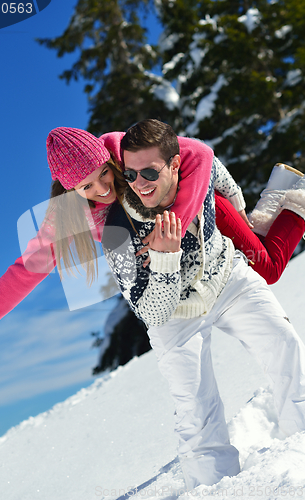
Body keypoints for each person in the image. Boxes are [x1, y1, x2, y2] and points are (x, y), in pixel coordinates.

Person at [100, 119, 305, 489]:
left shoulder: (198, 171)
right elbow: (153, 313)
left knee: (284, 344)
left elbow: (220, 175)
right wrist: (164, 260)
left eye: (149, 171)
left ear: (176, 165)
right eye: (129, 173)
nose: (138, 182)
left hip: (225, 276)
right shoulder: (116, 229)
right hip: (174, 317)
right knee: (198, 411)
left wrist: (241, 214)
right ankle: (218, 489)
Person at [0, 126, 305, 340]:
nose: (103, 188)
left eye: (104, 173)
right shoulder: (68, 215)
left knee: (269, 268)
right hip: (181, 249)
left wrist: (174, 219)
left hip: (206, 210)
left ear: (108, 160)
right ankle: (279, 193)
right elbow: (29, 267)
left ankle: (299, 198)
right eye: (87, 186)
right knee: (260, 254)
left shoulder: (129, 150)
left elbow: (201, 155)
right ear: (70, 189)